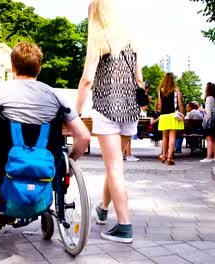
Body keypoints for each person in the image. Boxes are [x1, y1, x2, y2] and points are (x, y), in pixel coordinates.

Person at [0, 42, 91, 223]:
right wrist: (66, 164)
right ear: (39, 68)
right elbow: (83, 136)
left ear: (12, 67)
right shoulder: (55, 95)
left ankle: (2, 209)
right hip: (47, 167)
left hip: (4, 167)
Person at [75, 0, 141, 243]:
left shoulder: (98, 39)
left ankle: (124, 226)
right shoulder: (131, 40)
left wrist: (76, 112)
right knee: (115, 166)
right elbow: (139, 79)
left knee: (114, 168)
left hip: (107, 109)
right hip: (129, 111)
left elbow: (87, 79)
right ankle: (103, 209)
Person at [156, 72, 184, 165]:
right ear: (173, 80)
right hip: (173, 116)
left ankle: (164, 155)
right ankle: (170, 158)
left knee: (164, 137)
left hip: (163, 116)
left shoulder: (161, 90)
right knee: (172, 137)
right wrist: (182, 113)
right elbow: (180, 104)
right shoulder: (176, 90)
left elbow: (159, 105)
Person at [200, 82, 215, 162]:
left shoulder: (209, 98)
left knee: (209, 139)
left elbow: (208, 112)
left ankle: (208, 157)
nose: (205, 88)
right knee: (214, 140)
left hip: (209, 122)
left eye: (206, 87)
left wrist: (201, 109)